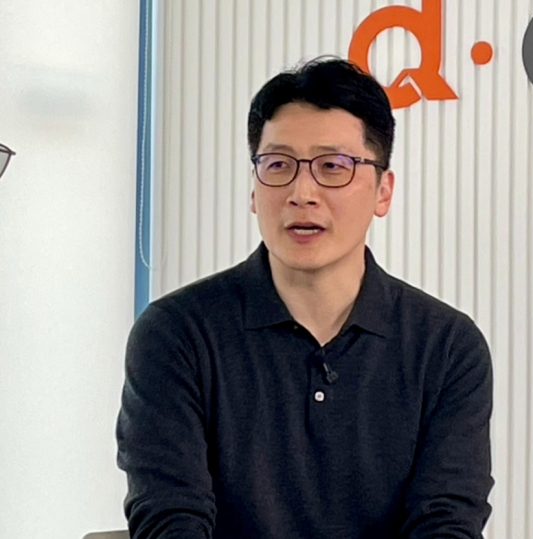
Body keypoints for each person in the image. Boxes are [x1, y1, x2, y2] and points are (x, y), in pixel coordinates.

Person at [116, 56, 494, 539]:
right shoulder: (176, 334)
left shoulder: (446, 346)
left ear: (383, 191)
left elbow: (446, 524)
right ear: (254, 190)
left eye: (333, 166)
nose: (302, 192)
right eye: (278, 165)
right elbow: (169, 519)